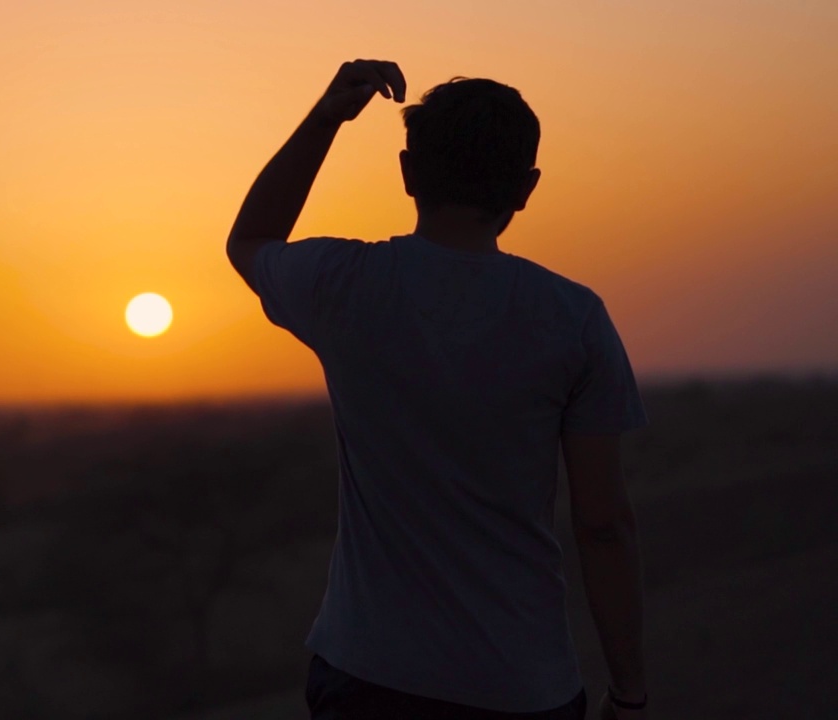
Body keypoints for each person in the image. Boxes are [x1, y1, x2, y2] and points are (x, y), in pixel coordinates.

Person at [225, 60, 650, 720]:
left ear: (408, 174)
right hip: (519, 684)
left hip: (366, 674)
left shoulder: (346, 285)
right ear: (526, 188)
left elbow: (251, 239)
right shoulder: (573, 318)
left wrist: (325, 118)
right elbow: (602, 525)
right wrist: (628, 693)